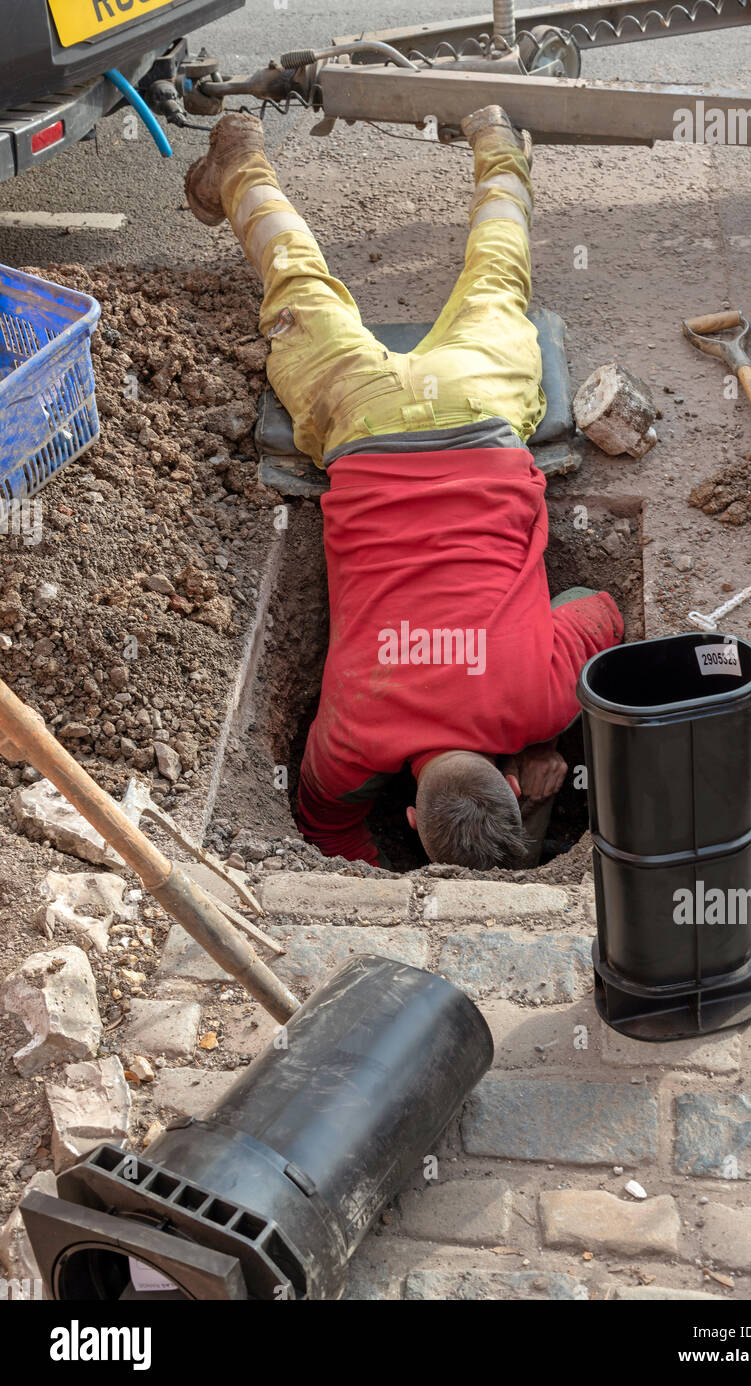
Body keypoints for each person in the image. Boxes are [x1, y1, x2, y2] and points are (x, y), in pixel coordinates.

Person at [186, 104, 623, 869]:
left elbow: (597, 614)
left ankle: (493, 136)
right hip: (364, 424)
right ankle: (241, 163)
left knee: (498, 277)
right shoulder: (352, 738)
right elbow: (328, 836)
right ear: (413, 816)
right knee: (297, 285)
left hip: (479, 413)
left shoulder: (540, 698)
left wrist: (541, 730)